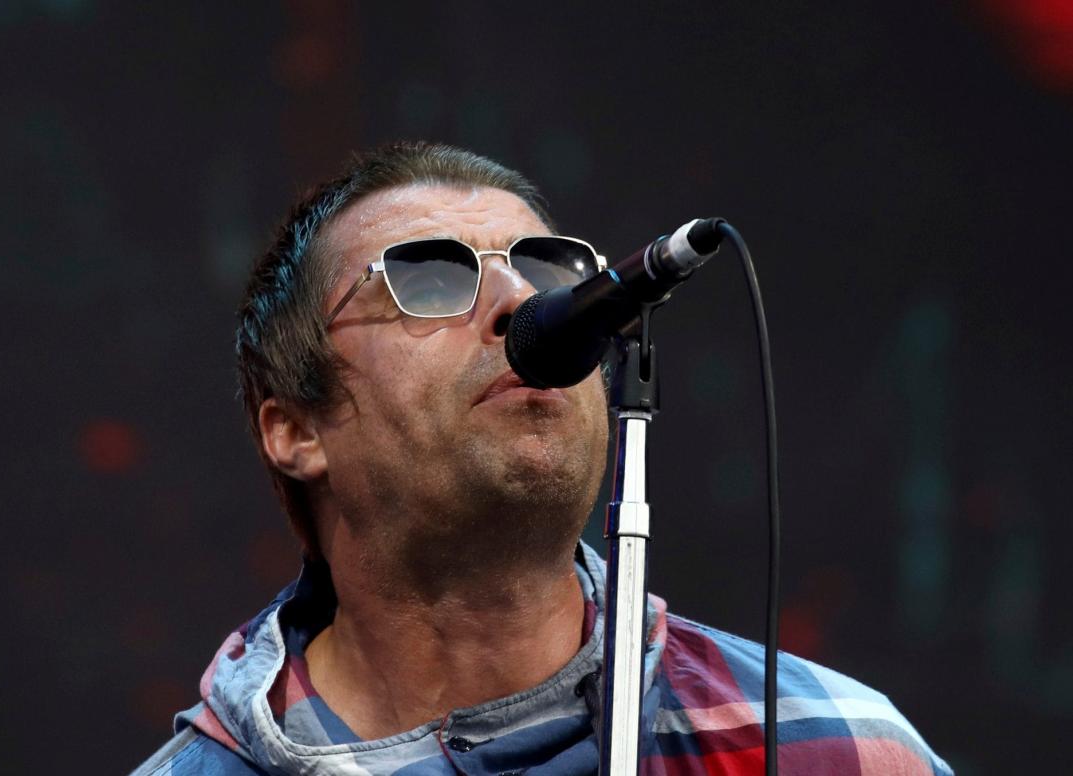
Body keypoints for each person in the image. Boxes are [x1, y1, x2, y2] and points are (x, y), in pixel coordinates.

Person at [132, 142, 953, 775]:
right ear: (295, 431)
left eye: (545, 269)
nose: (521, 304)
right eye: (429, 279)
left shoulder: (832, 749)